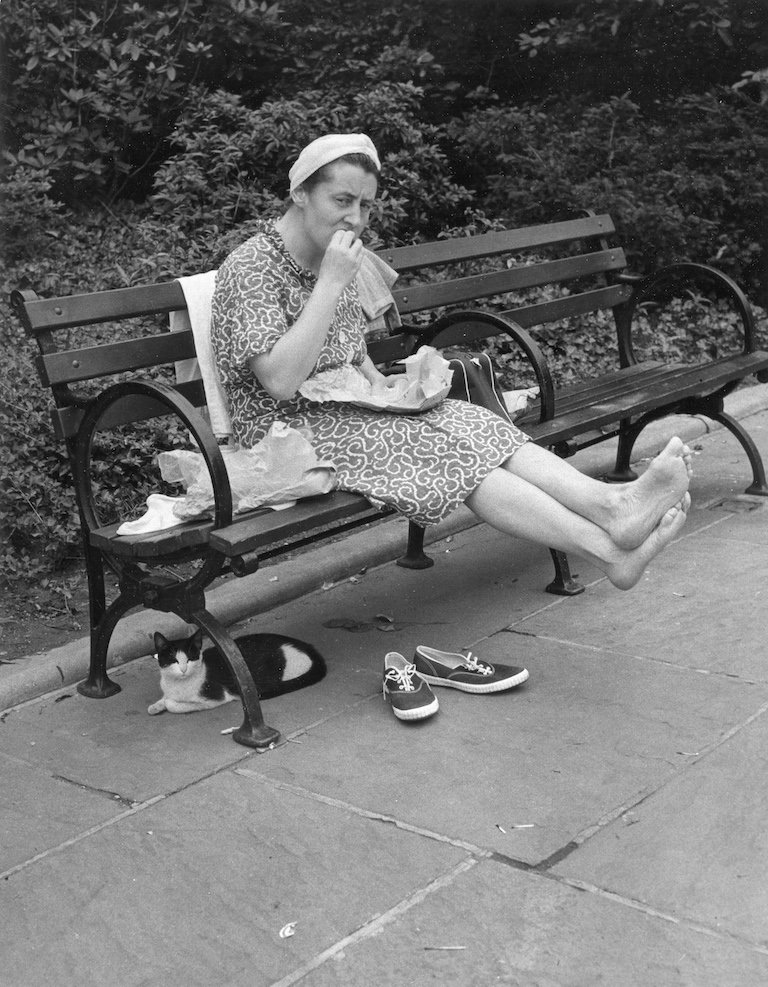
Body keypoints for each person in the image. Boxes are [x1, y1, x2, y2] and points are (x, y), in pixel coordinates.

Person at [210, 133, 691, 717]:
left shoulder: (332, 253)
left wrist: (389, 385)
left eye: (365, 205)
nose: (356, 218)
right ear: (300, 194)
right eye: (342, 200)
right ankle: (606, 548)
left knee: (467, 418)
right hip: (285, 435)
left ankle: (610, 508)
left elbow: (349, 355)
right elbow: (280, 380)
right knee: (444, 451)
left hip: (347, 412)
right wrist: (334, 281)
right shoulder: (251, 268)